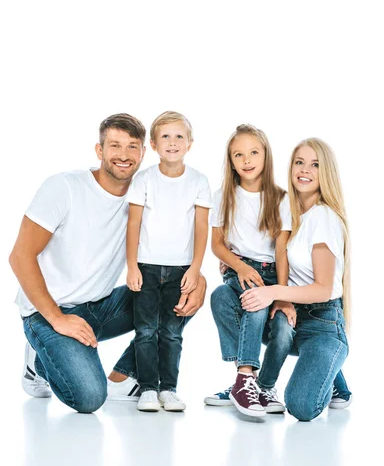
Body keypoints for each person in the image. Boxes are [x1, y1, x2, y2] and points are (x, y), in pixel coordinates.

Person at [9, 113, 206, 414]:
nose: (124, 155)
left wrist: (199, 276)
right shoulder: (65, 187)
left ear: (144, 152)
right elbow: (20, 256)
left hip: (101, 307)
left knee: (181, 292)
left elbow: (174, 240)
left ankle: (124, 376)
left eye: (132, 147)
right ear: (100, 151)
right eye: (115, 146)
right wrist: (57, 318)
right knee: (88, 397)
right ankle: (39, 359)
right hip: (48, 311)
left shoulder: (147, 192)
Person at [240, 138, 351, 421]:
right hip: (291, 316)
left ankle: (330, 368)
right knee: (228, 300)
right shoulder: (290, 207)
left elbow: (324, 289)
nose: (305, 170)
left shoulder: (323, 217)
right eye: (299, 162)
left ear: (325, 172)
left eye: (315, 164)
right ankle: (246, 382)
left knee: (300, 406)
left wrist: (277, 292)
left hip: (322, 322)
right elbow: (277, 250)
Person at [204, 124, 295, 417]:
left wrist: (282, 295)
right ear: (230, 161)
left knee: (275, 320)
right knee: (242, 301)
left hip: (273, 273)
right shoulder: (223, 196)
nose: (247, 160)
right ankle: (244, 379)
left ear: (266, 155)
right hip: (239, 268)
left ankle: (257, 385)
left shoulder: (281, 198)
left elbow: (281, 250)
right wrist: (240, 266)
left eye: (254, 152)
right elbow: (217, 245)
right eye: (238, 155)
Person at [126, 111, 212, 412]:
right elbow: (133, 225)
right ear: (153, 143)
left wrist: (196, 268)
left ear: (189, 143)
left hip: (181, 270)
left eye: (179, 137)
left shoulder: (199, 181)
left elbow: (201, 228)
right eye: (165, 136)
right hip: (147, 268)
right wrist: (132, 265)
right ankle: (148, 388)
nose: (172, 142)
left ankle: (169, 389)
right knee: (146, 330)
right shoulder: (144, 180)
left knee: (172, 332)